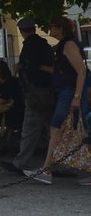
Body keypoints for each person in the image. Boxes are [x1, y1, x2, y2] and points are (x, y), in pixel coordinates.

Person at [26, 17, 89, 184]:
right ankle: (47, 170)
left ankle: (46, 170)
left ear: (61, 29)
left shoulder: (68, 45)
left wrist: (76, 97)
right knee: (70, 130)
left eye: (52, 27)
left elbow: (81, 72)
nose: (49, 31)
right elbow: (62, 70)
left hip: (69, 94)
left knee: (57, 128)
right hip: (65, 93)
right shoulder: (64, 45)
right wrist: (39, 67)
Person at [0, 17, 54, 176]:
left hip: (35, 93)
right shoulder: (44, 45)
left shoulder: (29, 47)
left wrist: (20, 68)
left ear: (22, 31)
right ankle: (63, 160)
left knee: (30, 129)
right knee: (54, 128)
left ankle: (20, 163)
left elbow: (31, 69)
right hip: (48, 91)